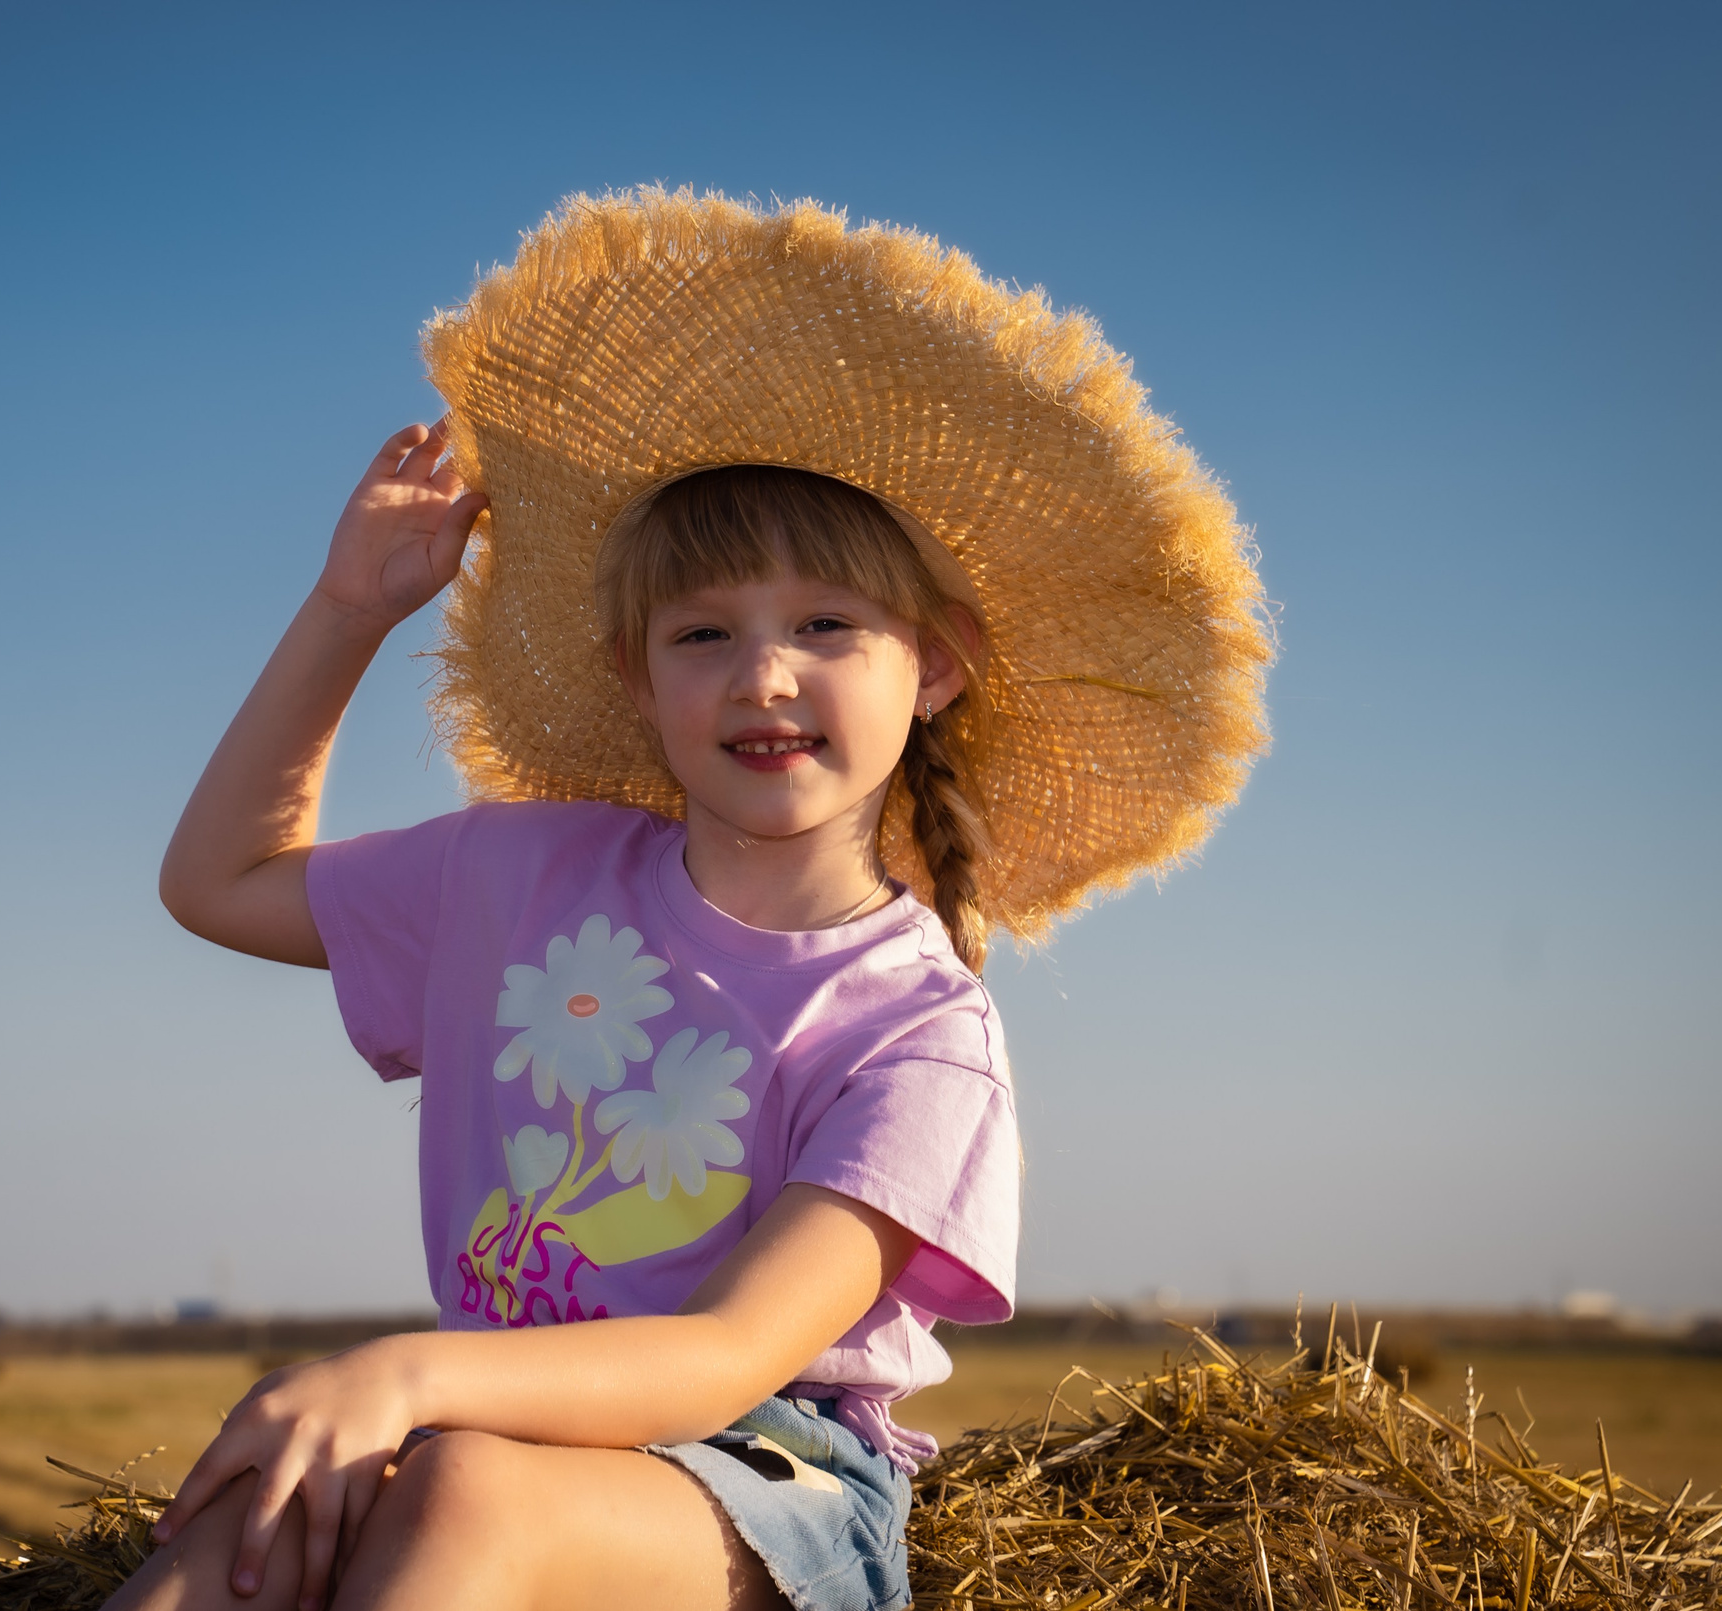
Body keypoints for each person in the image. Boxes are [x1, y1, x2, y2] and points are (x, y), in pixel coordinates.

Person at [112, 188, 1272, 1611]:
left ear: (942, 665)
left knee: (458, 1485)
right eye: (704, 632)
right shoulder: (517, 875)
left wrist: (400, 1377)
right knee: (252, 1525)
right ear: (636, 676)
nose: (763, 675)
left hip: (769, 1485)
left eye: (828, 626)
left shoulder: (919, 1035)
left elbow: (727, 1351)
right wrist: (350, 612)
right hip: (496, 1427)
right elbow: (219, 884)